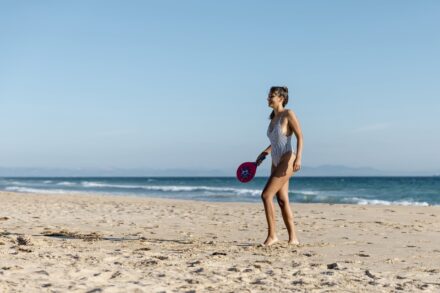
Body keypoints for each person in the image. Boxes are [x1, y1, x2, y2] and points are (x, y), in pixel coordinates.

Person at [256, 86, 303, 246]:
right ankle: (293, 239)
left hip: (288, 158)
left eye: (271, 96)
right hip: (275, 160)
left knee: (266, 195)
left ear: (281, 98)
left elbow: (300, 136)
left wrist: (299, 159)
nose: (268, 98)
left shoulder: (288, 114)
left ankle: (272, 236)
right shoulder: (273, 118)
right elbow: (276, 141)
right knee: (282, 200)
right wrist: (265, 151)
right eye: (268, 96)